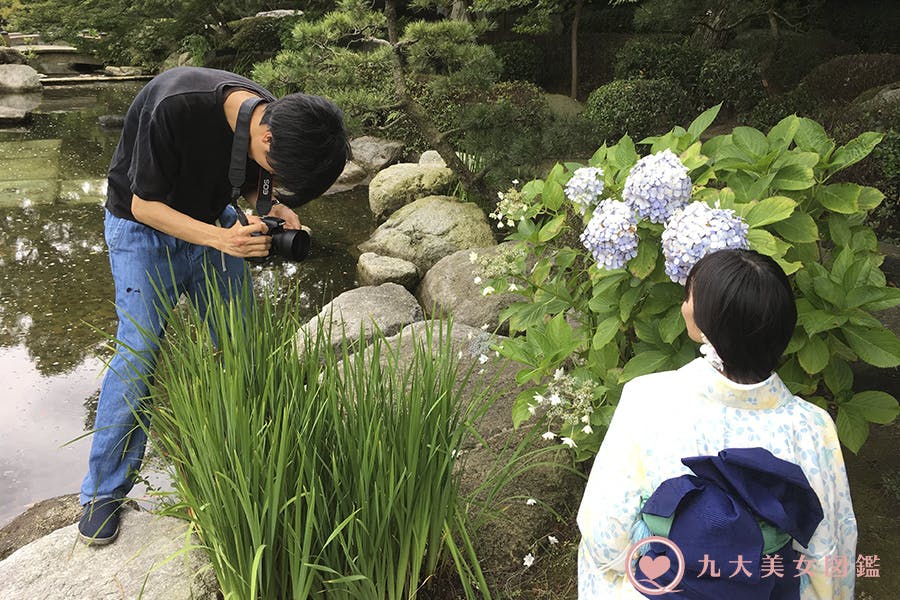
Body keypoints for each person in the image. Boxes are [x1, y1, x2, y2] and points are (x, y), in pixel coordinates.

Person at [78, 66, 349, 545]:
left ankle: (260, 451)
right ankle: (102, 494)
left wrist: (271, 209)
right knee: (139, 355)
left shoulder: (273, 117)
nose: (274, 177)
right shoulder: (174, 104)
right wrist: (222, 240)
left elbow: (253, 183)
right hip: (141, 230)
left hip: (213, 224)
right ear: (266, 136)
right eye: (279, 171)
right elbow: (144, 204)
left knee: (246, 341)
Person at [577, 249, 857, 599]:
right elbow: (830, 549)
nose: (684, 304)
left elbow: (606, 539)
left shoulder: (647, 399)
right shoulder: (812, 426)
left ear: (704, 322)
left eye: (689, 295)